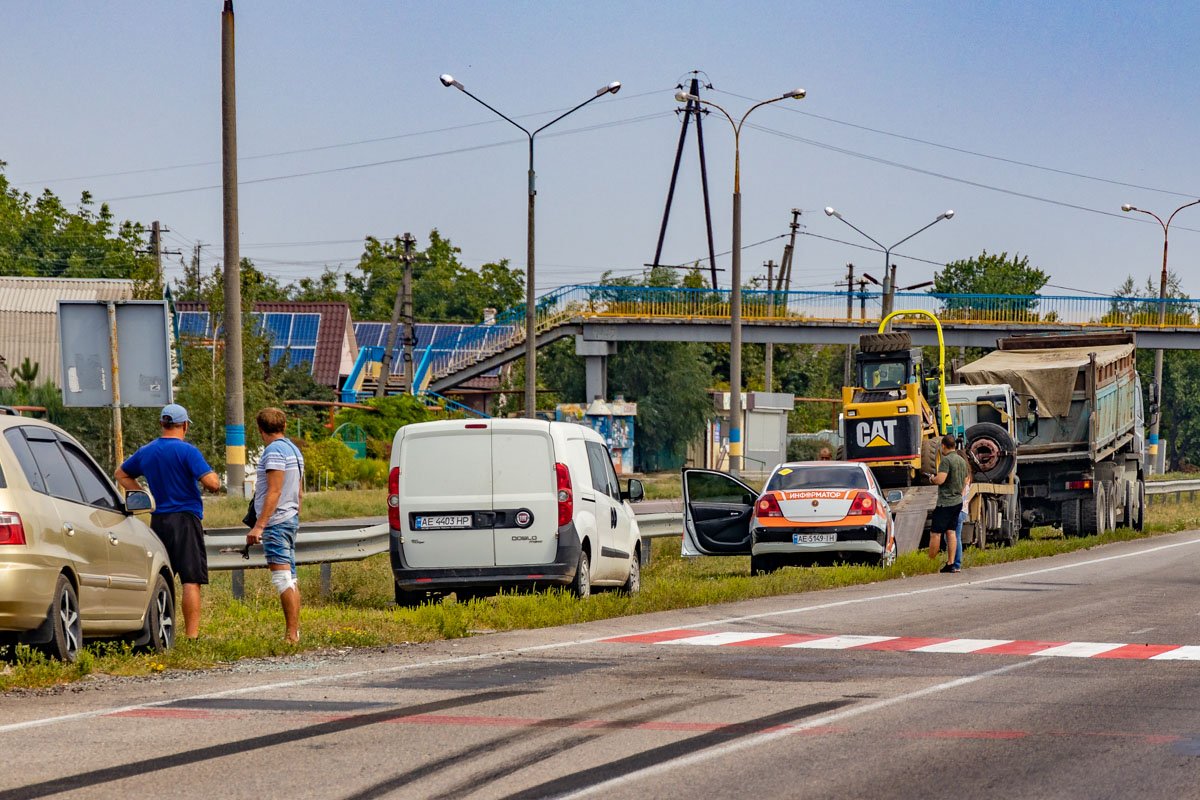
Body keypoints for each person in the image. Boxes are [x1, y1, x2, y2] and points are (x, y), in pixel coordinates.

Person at [115, 403, 221, 639]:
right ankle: (192, 636)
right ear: (184, 426)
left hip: (159, 520)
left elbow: (121, 474)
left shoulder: (147, 451)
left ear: (162, 424)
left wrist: (143, 495)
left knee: (161, 577)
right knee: (191, 580)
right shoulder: (188, 451)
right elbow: (212, 483)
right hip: (186, 520)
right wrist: (214, 478)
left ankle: (160, 633)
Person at [246, 407, 305, 643]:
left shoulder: (273, 452)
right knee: (291, 577)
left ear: (260, 430)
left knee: (282, 579)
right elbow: (299, 491)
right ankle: (294, 632)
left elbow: (274, 491)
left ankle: (291, 635)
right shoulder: (293, 449)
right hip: (289, 518)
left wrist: (259, 526)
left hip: (276, 521)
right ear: (284, 426)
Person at [926, 434, 967, 573]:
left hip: (945, 503)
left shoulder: (946, 460)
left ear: (943, 445)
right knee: (951, 532)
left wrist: (932, 479)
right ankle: (951, 563)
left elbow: (940, 480)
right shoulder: (962, 460)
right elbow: (964, 481)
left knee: (935, 533)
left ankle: (930, 563)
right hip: (957, 501)